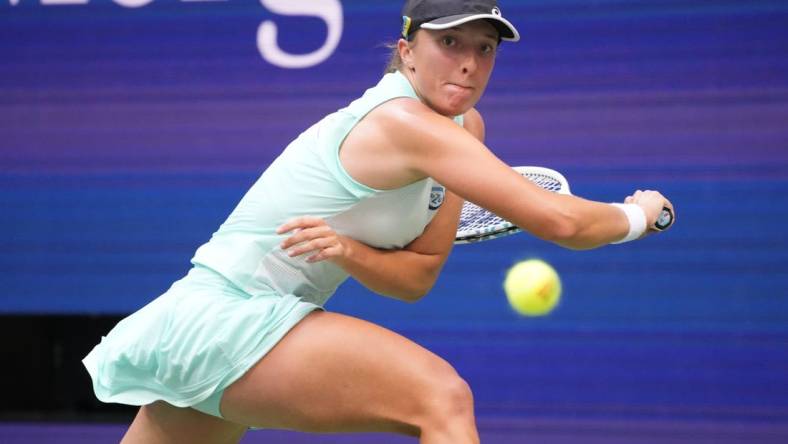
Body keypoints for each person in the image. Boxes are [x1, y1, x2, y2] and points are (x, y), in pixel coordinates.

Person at [83, 1, 675, 443]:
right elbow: (561, 223)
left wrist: (345, 249)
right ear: (407, 49)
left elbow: (415, 278)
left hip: (222, 325)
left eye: (485, 49)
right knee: (441, 397)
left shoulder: (464, 130)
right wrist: (640, 215)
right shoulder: (401, 121)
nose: (469, 65)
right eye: (450, 43)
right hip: (226, 312)